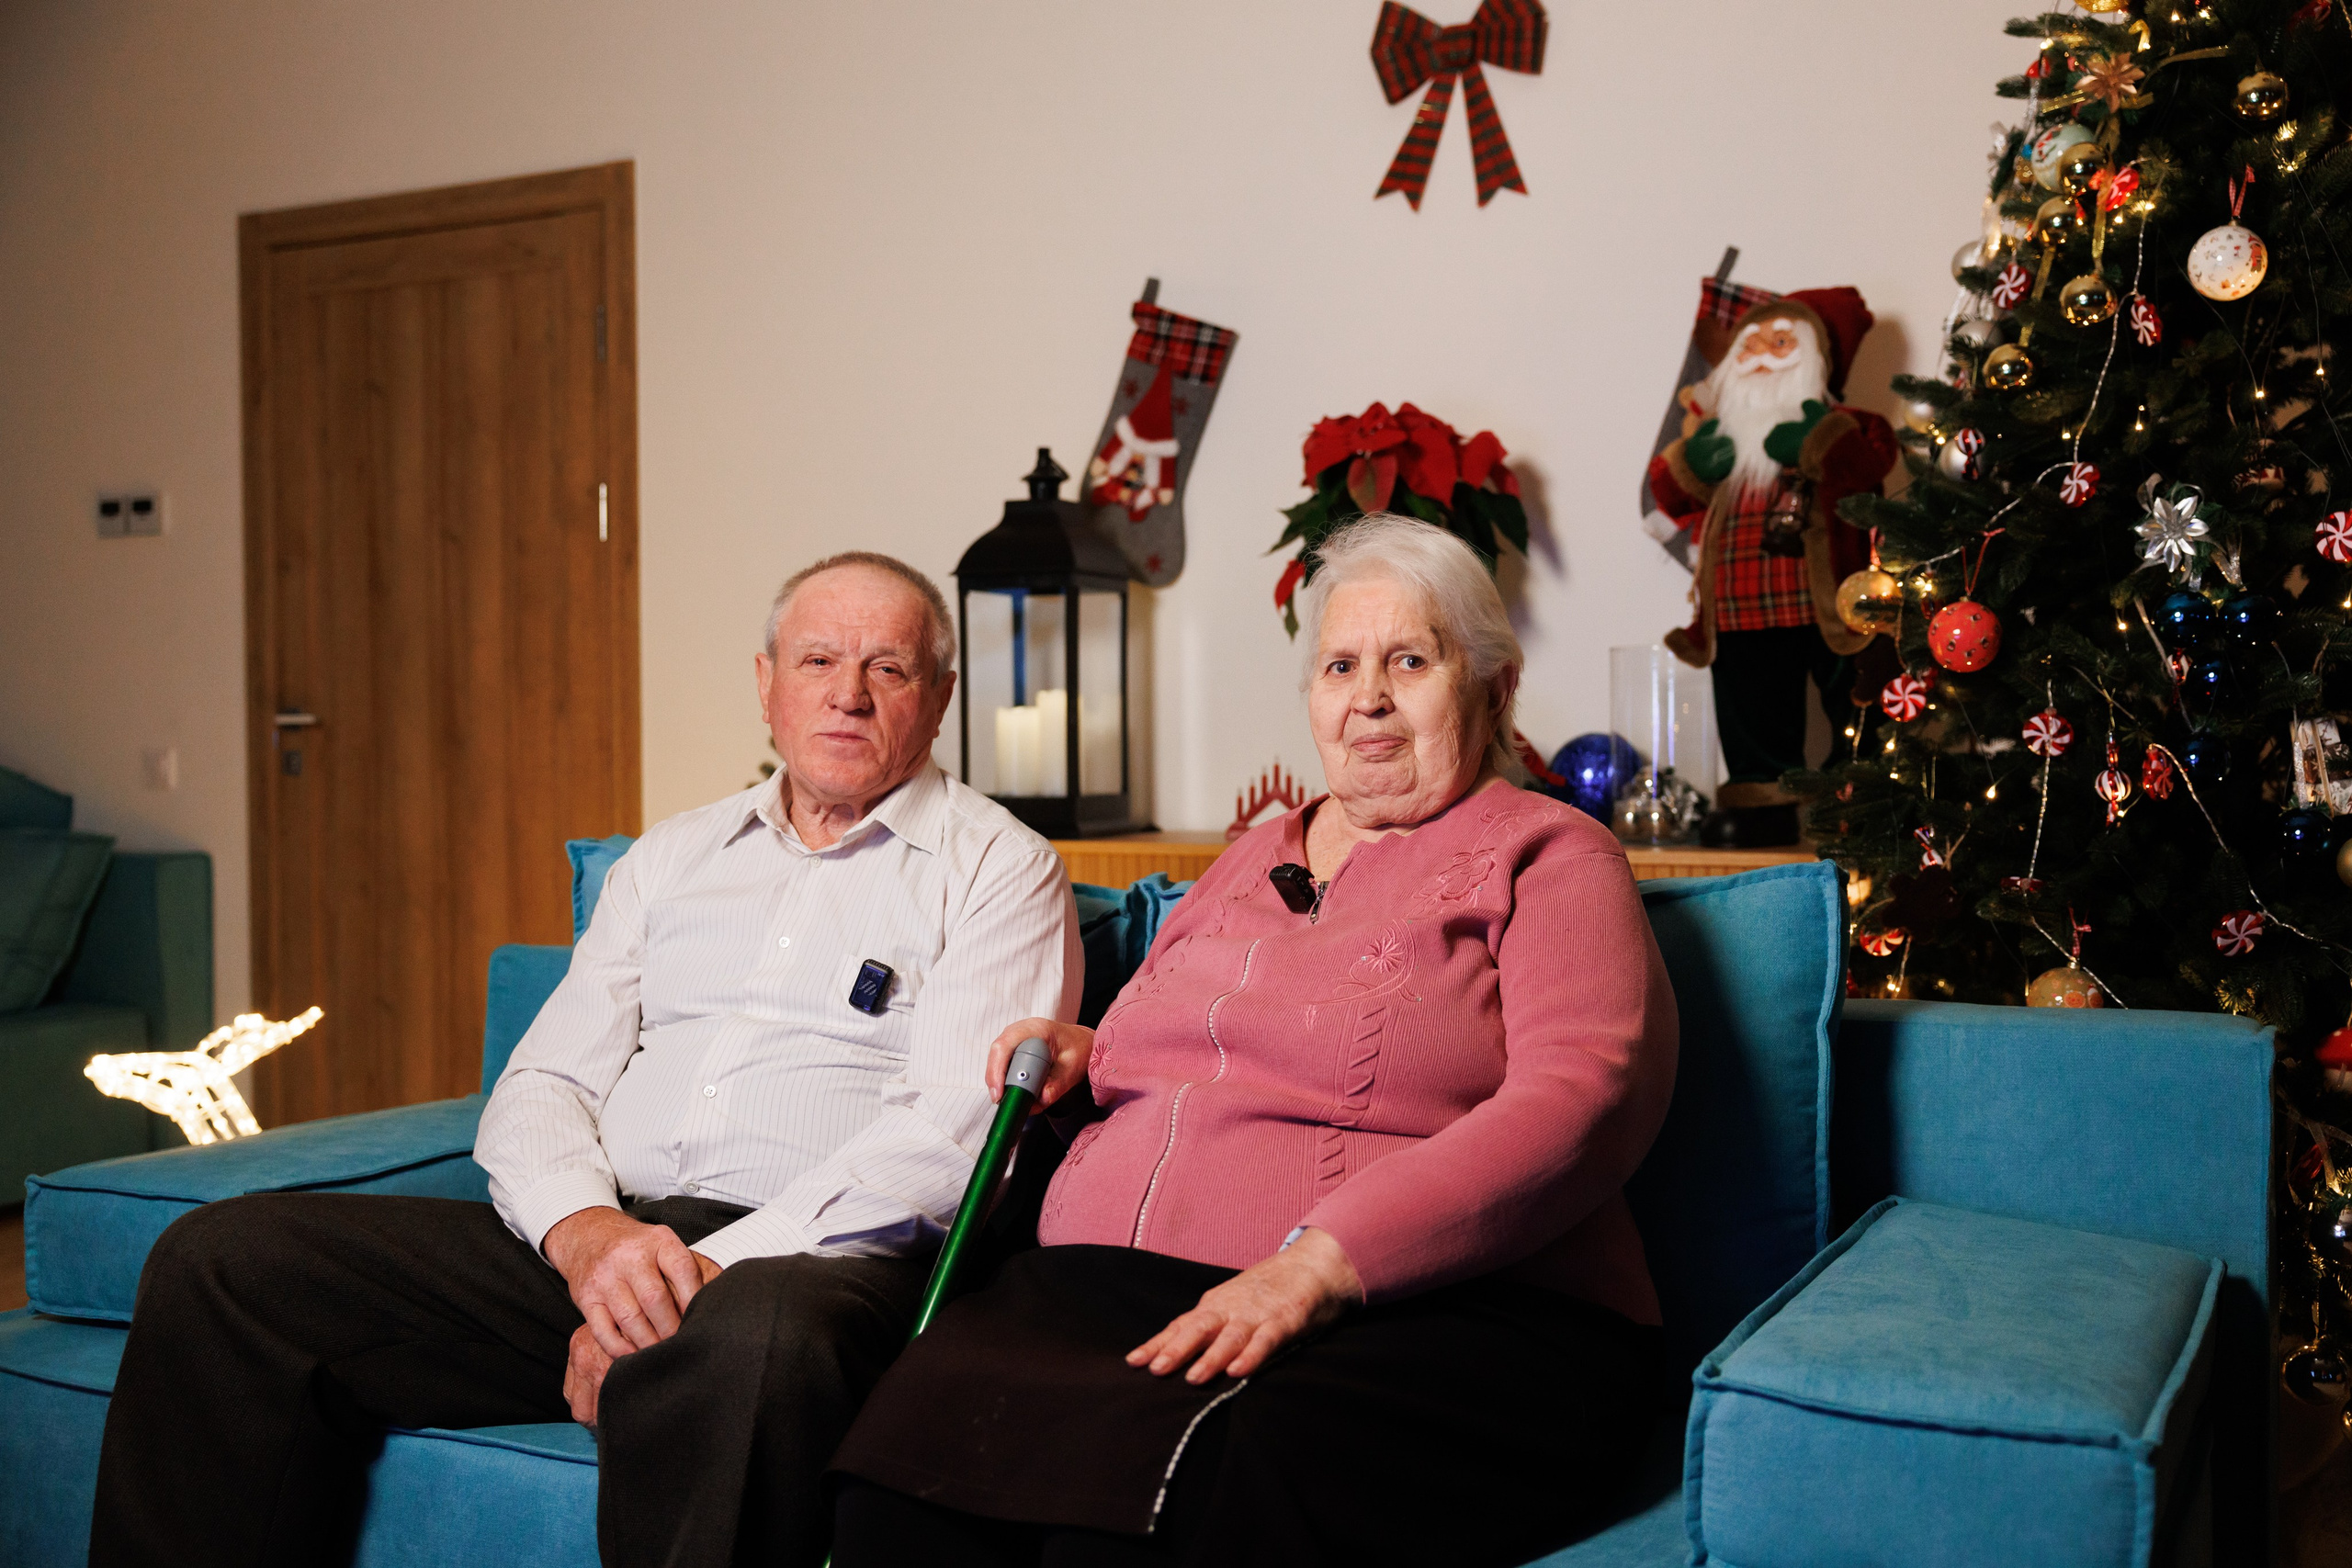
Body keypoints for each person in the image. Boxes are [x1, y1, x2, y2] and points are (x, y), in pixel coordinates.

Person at [90, 552, 1080, 1568]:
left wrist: (691, 1278)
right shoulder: (671, 858)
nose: (847, 694)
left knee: (757, 1337)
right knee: (227, 1262)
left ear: (939, 699)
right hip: (613, 1240)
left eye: (888, 668)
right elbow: (544, 1082)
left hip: (812, 1270)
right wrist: (588, 1238)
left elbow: (952, 1142)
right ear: (766, 683)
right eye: (817, 660)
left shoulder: (999, 869)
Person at [828, 515, 1680, 1567]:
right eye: (1339, 665)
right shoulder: (1245, 863)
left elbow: (1584, 1099)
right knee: (908, 1468)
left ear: (1494, 689)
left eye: (1410, 661)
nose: (1368, 696)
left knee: (1158, 1503)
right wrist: (1092, 1059)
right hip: (1120, 1289)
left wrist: (1320, 1263)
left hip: (1444, 1312)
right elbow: (1192, 1053)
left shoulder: (1549, 854)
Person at [1645, 287, 1896, 847]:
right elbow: (1668, 493)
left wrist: (1819, 442)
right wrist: (1692, 462)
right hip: (1738, 602)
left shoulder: (1847, 424)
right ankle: (1763, 801)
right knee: (1750, 702)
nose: (1761, 354)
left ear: (1814, 358)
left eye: (1781, 343)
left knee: (1854, 692)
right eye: (1751, 343)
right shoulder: (1720, 433)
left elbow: (1870, 469)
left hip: (1831, 598)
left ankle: (1862, 795)